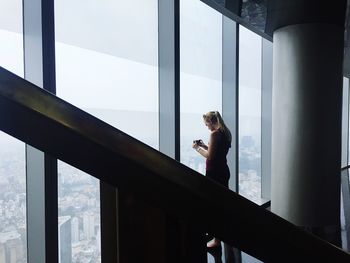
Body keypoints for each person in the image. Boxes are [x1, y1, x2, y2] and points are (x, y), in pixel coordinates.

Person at [192, 111, 232, 249]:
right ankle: (221, 236)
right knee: (221, 206)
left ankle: (216, 240)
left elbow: (210, 157)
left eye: (207, 124)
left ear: (211, 121)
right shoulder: (225, 133)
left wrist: (197, 148)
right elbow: (218, 152)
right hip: (223, 171)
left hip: (214, 173)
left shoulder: (214, 134)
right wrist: (203, 145)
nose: (207, 127)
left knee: (213, 207)